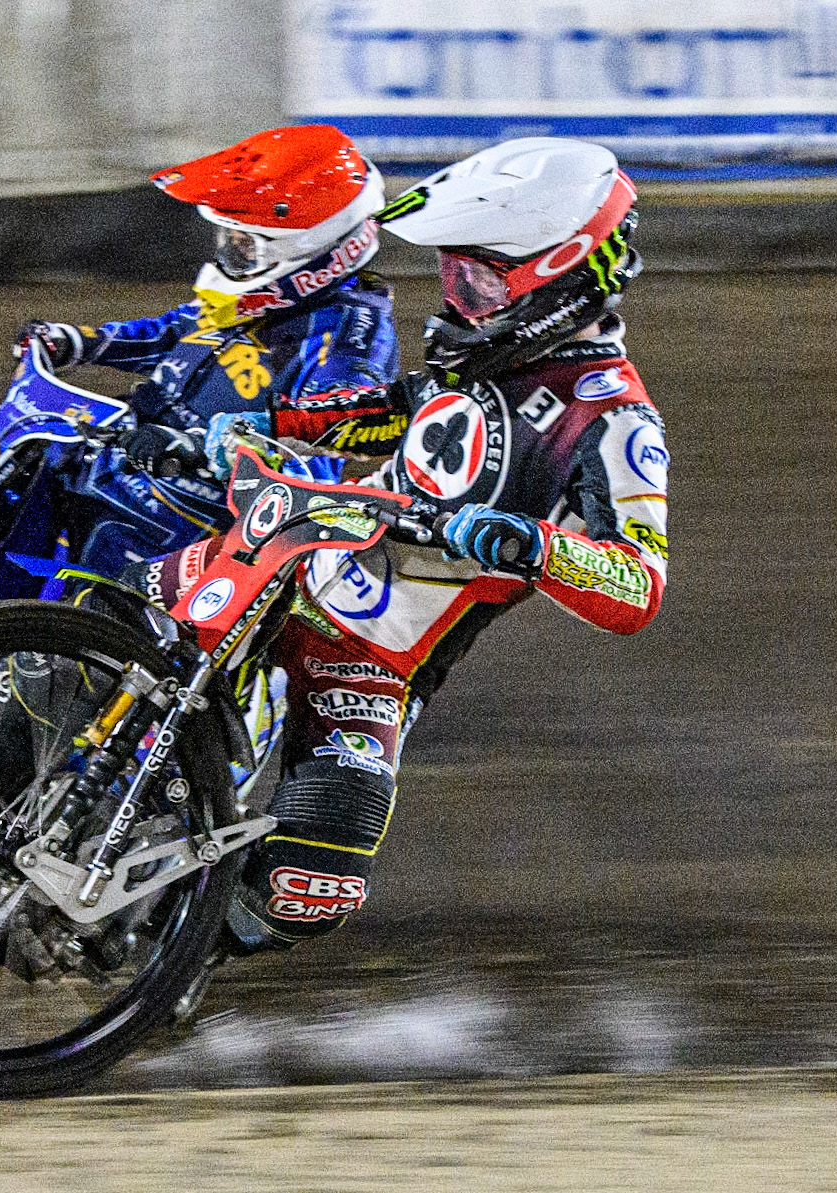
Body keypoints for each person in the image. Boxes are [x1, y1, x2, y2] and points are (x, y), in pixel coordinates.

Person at [127, 137, 669, 968]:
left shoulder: (613, 423)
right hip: (282, 564)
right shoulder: (482, 366)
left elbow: (635, 587)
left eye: (479, 280)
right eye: (454, 276)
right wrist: (239, 430)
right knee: (102, 611)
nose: (456, 298)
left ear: (562, 273)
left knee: (308, 890)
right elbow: (372, 411)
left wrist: (530, 542)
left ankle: (161, 964)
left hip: (368, 663)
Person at [0, 124, 402, 886]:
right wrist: (82, 340)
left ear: (315, 251)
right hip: (134, 470)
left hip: (202, 525)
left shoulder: (350, 328)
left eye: (245, 241)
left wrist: (237, 441)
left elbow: (343, 425)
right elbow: (171, 332)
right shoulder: (242, 303)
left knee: (57, 639)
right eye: (225, 236)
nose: (229, 253)